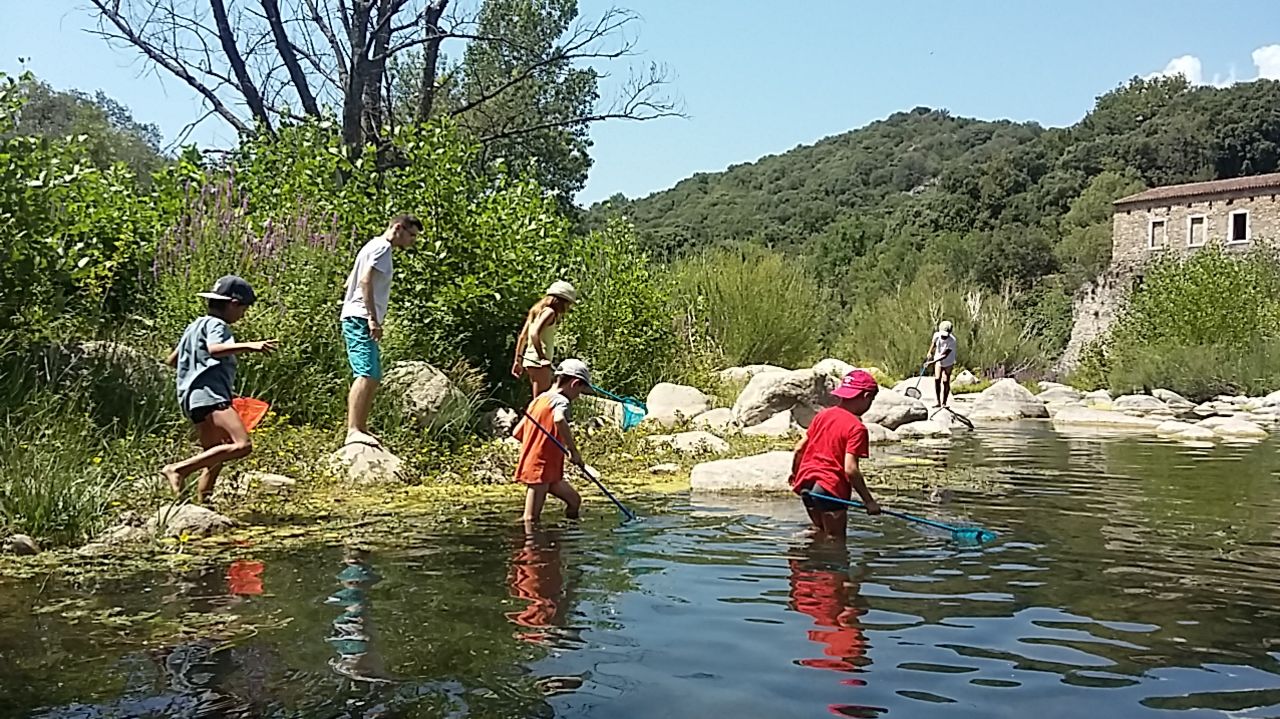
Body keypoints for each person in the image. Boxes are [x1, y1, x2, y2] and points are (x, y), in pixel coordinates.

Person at [163, 275, 276, 503]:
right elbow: (215, 349)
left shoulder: (194, 326)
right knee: (242, 445)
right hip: (210, 396)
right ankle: (178, 469)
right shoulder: (217, 325)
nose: (243, 315)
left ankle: (203, 503)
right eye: (243, 309)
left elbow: (172, 360)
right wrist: (250, 346)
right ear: (233, 303)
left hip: (193, 398)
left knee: (214, 456)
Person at [340, 214, 422, 447]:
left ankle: (361, 428)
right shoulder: (383, 248)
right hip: (360, 318)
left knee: (374, 374)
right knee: (365, 372)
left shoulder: (372, 246)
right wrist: (372, 319)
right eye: (411, 235)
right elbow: (365, 281)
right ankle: (353, 430)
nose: (412, 241)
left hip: (358, 315)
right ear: (398, 228)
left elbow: (350, 282)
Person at [788, 369, 882, 540]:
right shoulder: (856, 428)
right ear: (866, 396)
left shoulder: (823, 415)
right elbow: (850, 469)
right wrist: (869, 501)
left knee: (820, 531)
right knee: (835, 541)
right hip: (829, 488)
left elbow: (799, 448)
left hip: (807, 485)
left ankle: (806, 559)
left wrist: (795, 475)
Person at [513, 358, 590, 525]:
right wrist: (573, 451)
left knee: (574, 501)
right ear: (575, 383)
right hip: (539, 469)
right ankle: (529, 548)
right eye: (580, 391)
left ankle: (566, 535)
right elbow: (559, 419)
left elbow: (516, 432)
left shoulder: (539, 399)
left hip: (549, 470)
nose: (578, 397)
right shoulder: (561, 401)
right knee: (530, 519)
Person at [511, 281, 578, 399]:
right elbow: (533, 334)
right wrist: (542, 357)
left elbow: (523, 336)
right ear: (561, 300)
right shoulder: (550, 312)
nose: (568, 307)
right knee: (541, 401)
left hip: (531, 361)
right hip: (539, 363)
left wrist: (518, 360)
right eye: (568, 303)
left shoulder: (536, 311)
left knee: (539, 399)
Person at [927, 319, 958, 409]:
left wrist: (932, 362)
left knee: (945, 380)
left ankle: (944, 402)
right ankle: (938, 401)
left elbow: (945, 355)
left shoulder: (952, 341)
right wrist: (929, 352)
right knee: (937, 379)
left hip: (948, 361)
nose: (944, 337)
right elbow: (933, 344)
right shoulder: (937, 335)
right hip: (938, 360)